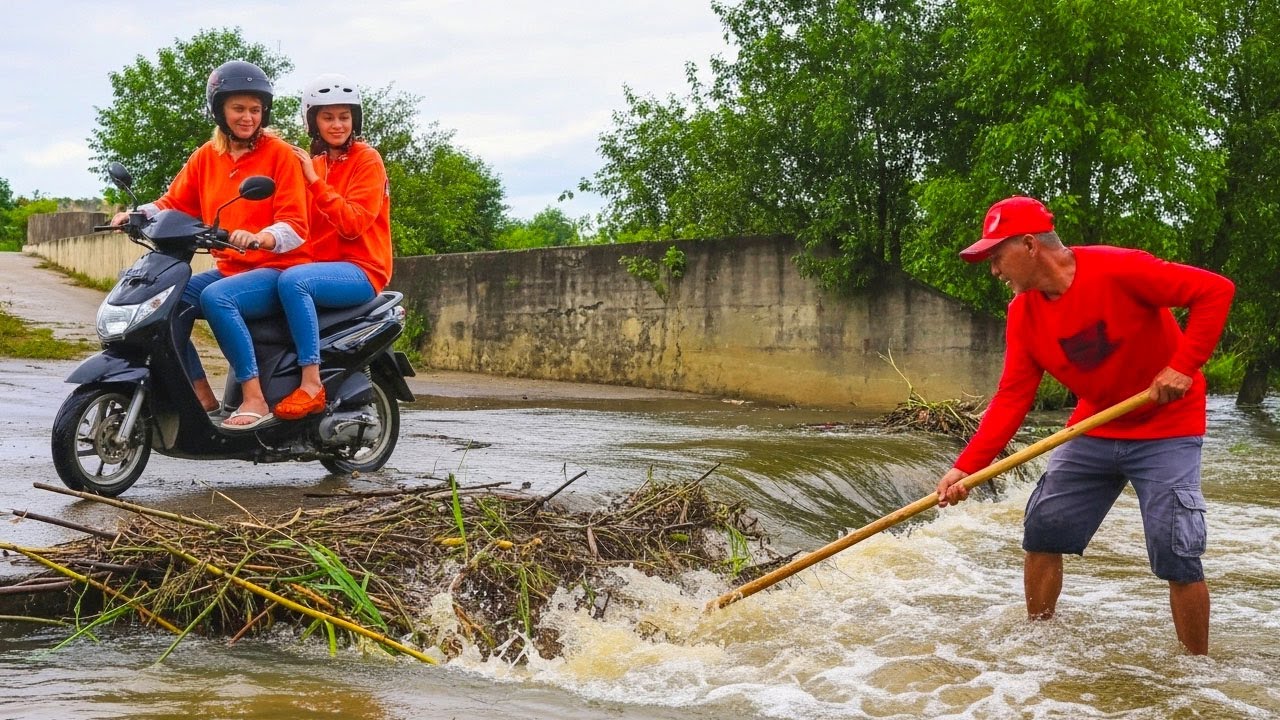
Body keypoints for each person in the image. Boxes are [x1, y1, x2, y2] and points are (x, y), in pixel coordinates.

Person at [934, 195, 1234, 655]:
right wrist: (966, 468)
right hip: (1094, 425)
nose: (994, 270)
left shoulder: (1119, 268)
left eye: (997, 256)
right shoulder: (1023, 315)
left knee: (1177, 553)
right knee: (1043, 529)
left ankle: (1198, 673)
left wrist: (1183, 366)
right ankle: (1038, 647)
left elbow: (1215, 291)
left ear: (1030, 245)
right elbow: (1014, 396)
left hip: (1168, 427)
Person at [111, 60, 309, 430]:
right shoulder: (207, 156)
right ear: (219, 110)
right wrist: (135, 213)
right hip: (232, 267)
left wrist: (261, 236)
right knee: (168, 300)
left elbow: (296, 226)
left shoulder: (279, 155)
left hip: (277, 268)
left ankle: (254, 398)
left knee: (218, 298)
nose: (248, 117)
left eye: (255, 109)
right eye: (238, 109)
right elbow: (174, 202)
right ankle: (200, 394)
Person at [273, 73, 392, 420]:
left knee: (294, 282)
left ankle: (311, 384)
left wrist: (312, 181)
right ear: (314, 122)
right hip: (321, 267)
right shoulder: (319, 164)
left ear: (355, 119)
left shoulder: (367, 160)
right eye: (328, 117)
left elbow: (353, 223)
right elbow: (298, 221)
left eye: (344, 116)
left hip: (362, 269)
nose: (337, 124)